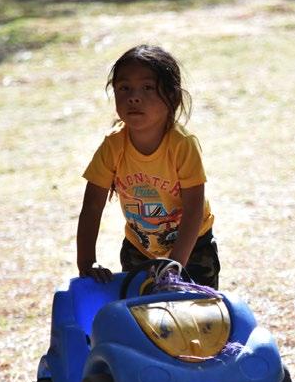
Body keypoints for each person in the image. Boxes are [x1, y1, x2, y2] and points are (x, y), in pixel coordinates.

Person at [76, 45, 220, 289]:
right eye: (124, 88)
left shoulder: (182, 145)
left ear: (172, 96)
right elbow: (92, 206)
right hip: (139, 248)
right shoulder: (113, 145)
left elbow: (194, 210)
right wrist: (87, 262)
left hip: (192, 247)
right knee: (141, 310)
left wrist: (174, 265)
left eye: (147, 88)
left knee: (193, 309)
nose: (134, 97)